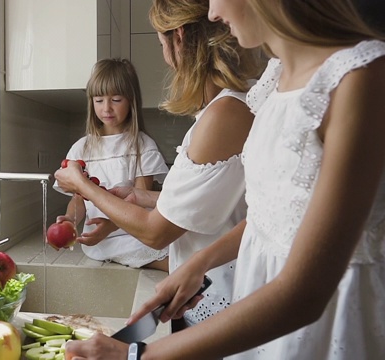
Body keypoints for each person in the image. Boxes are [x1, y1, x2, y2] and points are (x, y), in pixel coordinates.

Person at [64, 0, 385, 359]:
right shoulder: (274, 80)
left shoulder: (360, 76)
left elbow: (305, 295)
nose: (213, 12)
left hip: (321, 327)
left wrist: (135, 356)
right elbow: (274, 215)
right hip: (256, 307)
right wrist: (199, 264)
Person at [55, 0, 264, 330]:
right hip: (201, 287)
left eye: (160, 42)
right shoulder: (231, 106)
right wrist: (144, 198)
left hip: (218, 298)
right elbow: (227, 206)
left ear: (178, 37)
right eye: (99, 100)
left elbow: (156, 232)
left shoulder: (224, 113)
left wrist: (83, 185)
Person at [52, 58, 170, 272]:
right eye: (99, 100)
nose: (106, 108)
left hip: (136, 233)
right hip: (101, 242)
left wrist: (112, 226)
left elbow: (141, 201)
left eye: (116, 99)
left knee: (178, 250)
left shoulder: (143, 146)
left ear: (131, 101)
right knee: (177, 262)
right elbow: (80, 199)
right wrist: (70, 219)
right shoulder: (82, 149)